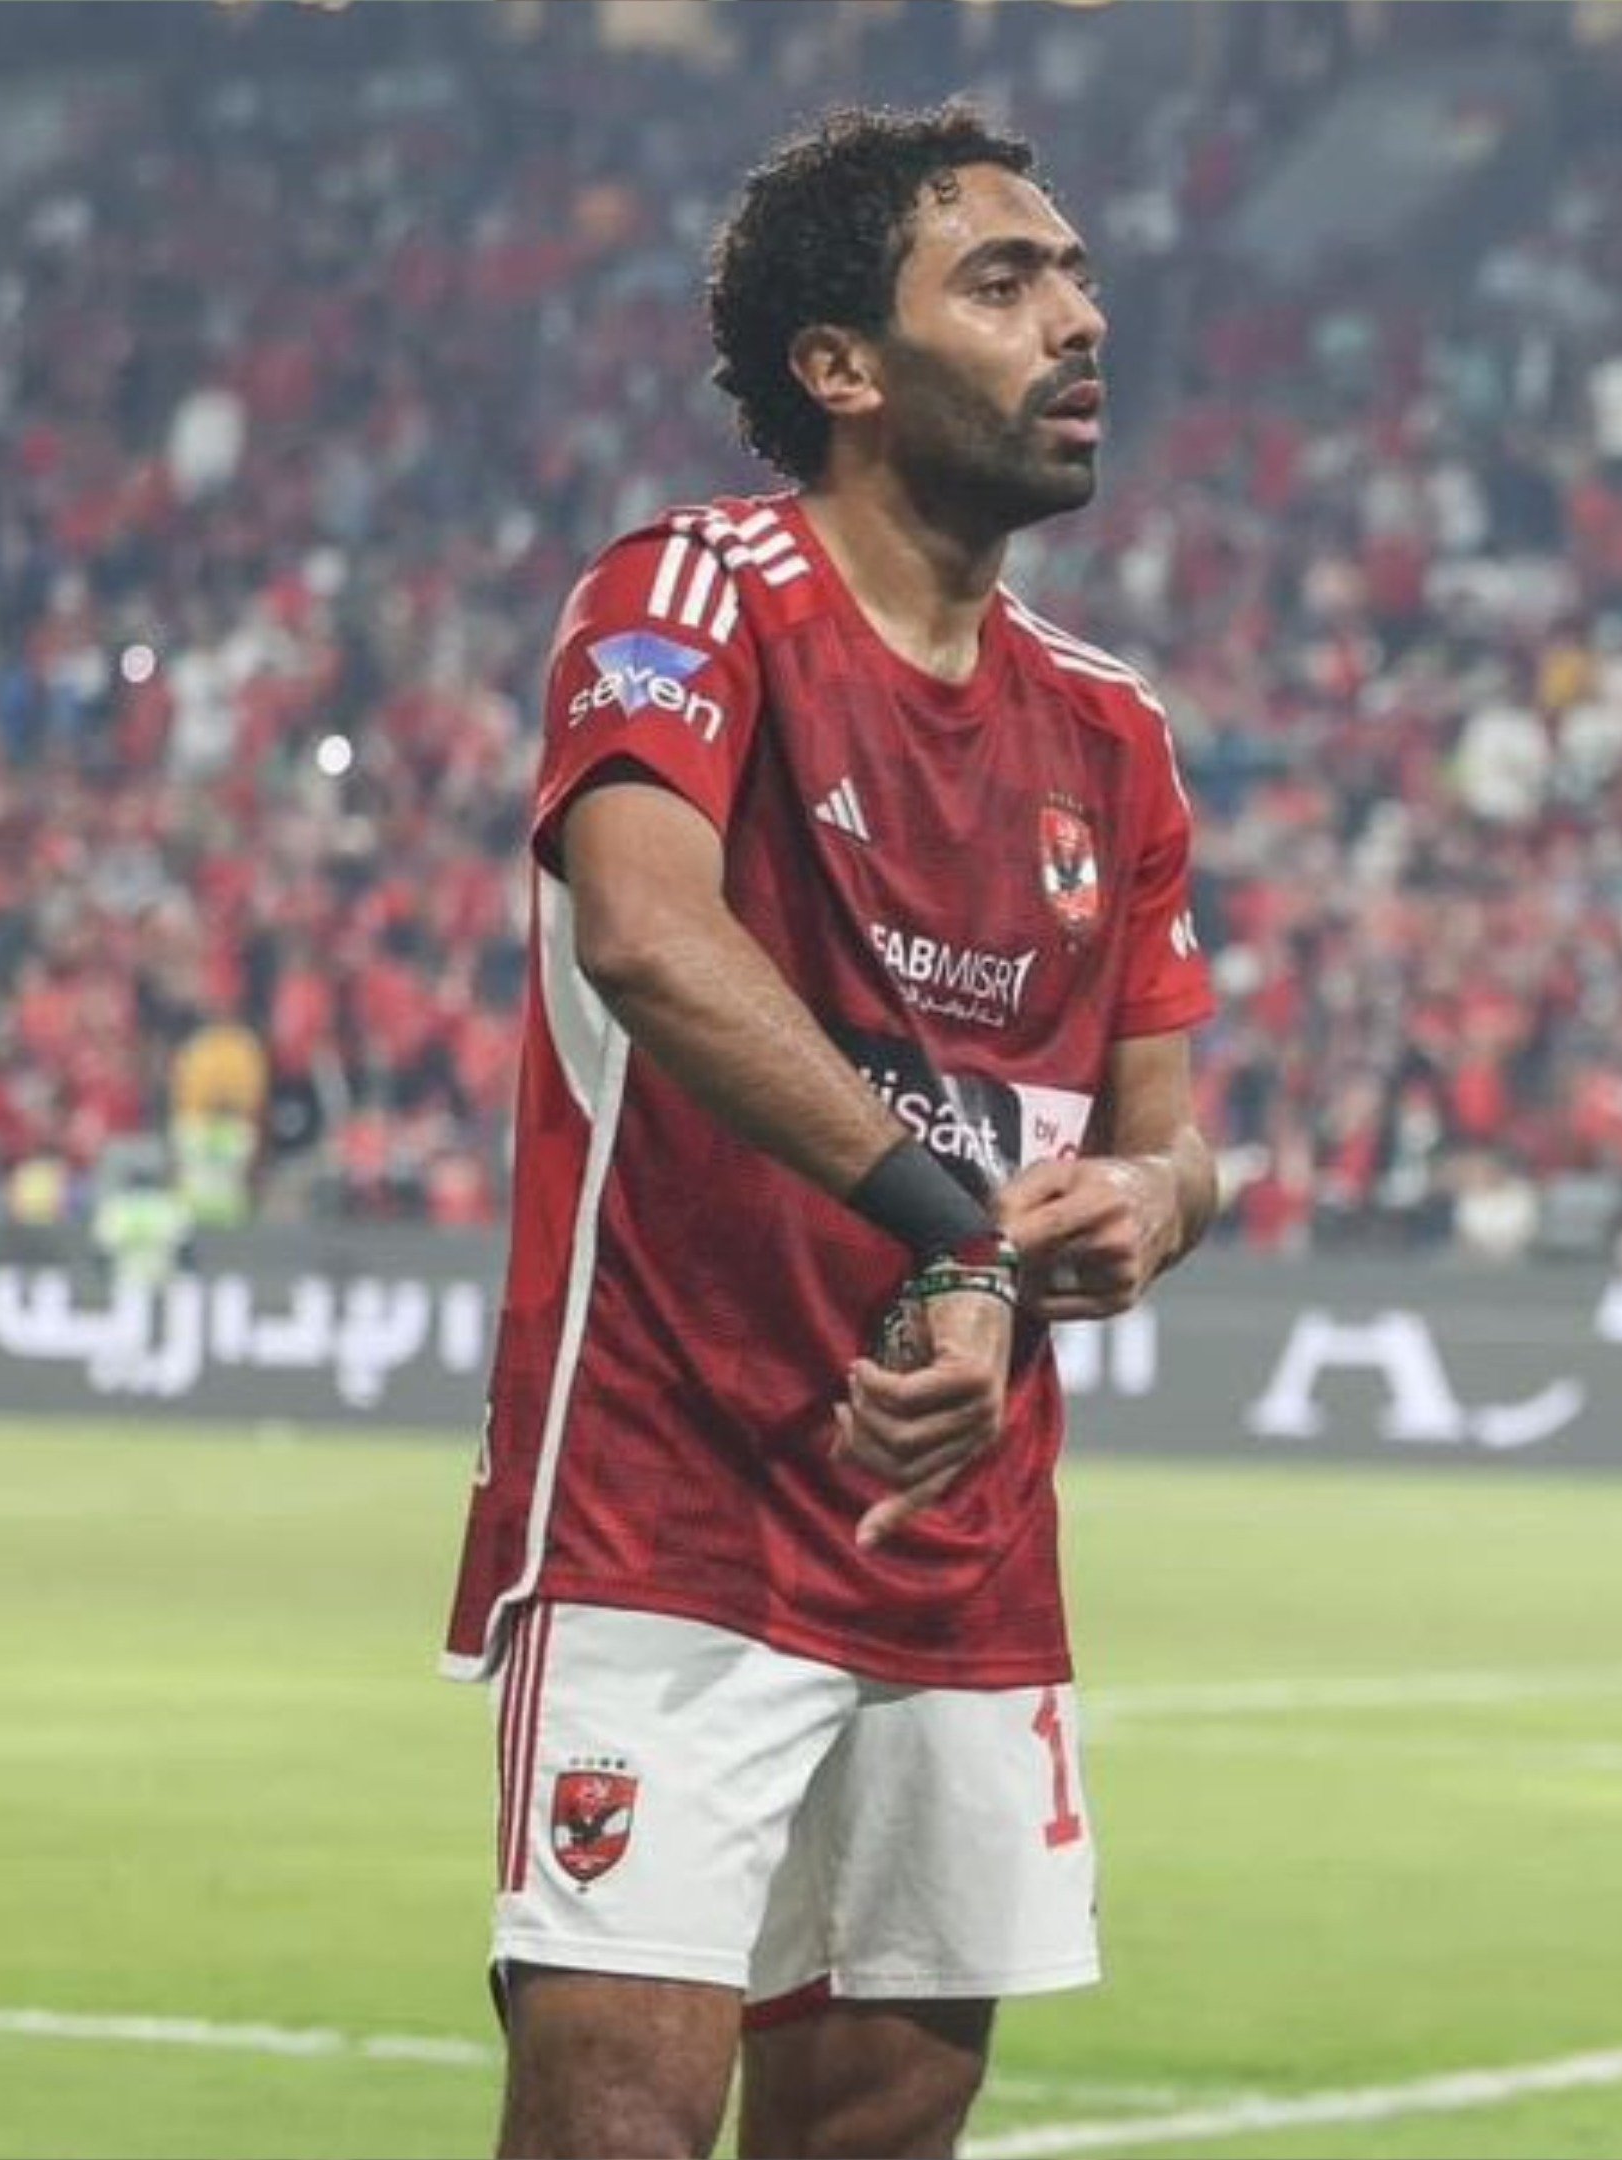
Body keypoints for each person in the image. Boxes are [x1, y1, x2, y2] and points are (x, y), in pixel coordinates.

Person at [437, 103, 1220, 2160]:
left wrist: (1142, 1207)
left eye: (1077, 278)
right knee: (613, 2126)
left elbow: (1172, 1140)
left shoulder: (1111, 728)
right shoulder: (695, 593)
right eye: (1005, 280)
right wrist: (960, 1233)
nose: (1080, 320)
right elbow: (646, 936)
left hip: (961, 1541)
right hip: (670, 1503)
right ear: (840, 366)